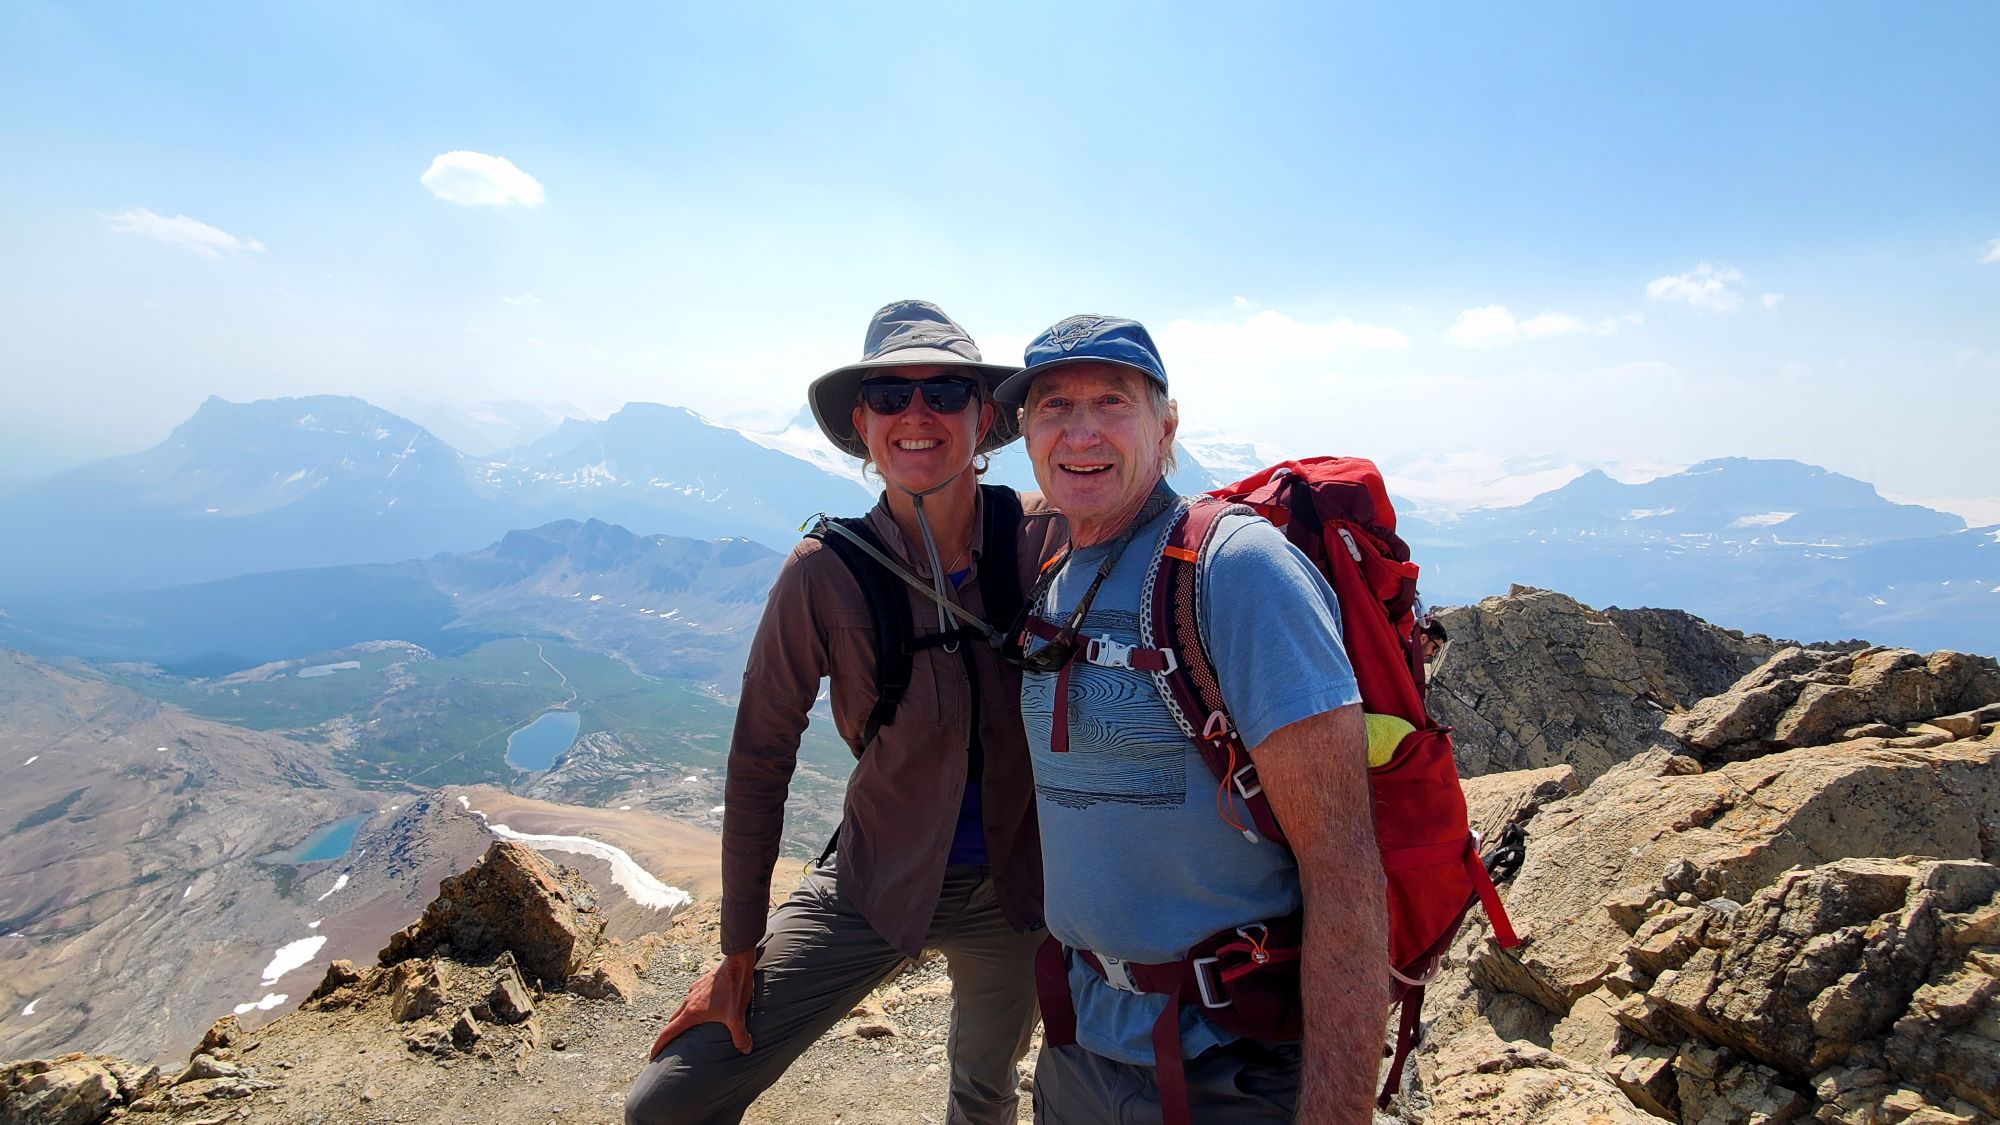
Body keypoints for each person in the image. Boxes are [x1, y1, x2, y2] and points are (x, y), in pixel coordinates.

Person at [625, 300, 1065, 1125]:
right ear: (863, 424)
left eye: (943, 391)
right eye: (892, 397)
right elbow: (760, 756)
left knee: (984, 1094)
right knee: (670, 1103)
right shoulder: (822, 573)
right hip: (874, 878)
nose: (917, 415)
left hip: (1017, 891)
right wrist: (737, 951)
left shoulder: (1045, 537)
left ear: (983, 416)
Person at [993, 315, 1389, 1123]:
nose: (1081, 431)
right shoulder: (1060, 574)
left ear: (1166, 426)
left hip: (1226, 1063)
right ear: (1025, 434)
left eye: (1112, 401)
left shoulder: (1236, 570)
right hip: (1081, 1046)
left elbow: (1344, 868)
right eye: (1053, 407)